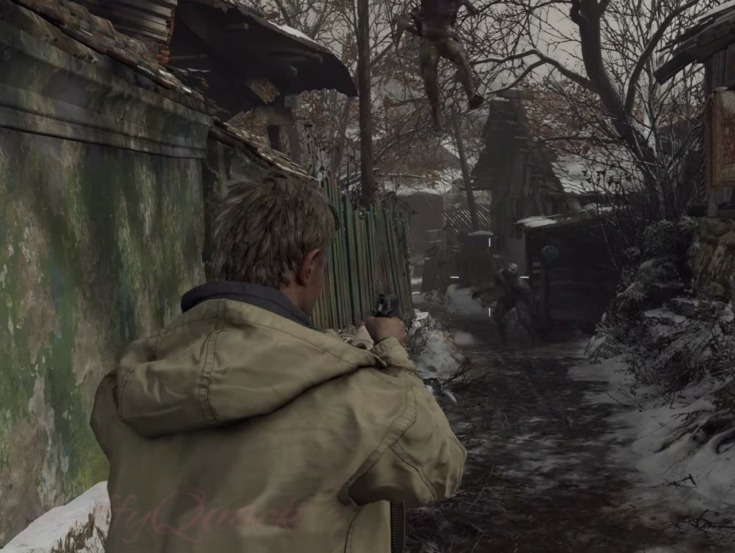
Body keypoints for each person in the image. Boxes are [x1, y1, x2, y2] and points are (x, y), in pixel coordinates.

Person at [89, 176, 466, 552]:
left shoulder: (122, 391)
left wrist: (350, 353)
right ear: (309, 266)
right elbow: (439, 468)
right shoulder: (358, 401)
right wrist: (392, 355)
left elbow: (246, 371)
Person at [392, 0, 484, 130]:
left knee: (461, 59)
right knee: (429, 72)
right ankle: (436, 110)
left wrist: (471, 7)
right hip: (430, 41)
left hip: (444, 38)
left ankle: (471, 96)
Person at [475, 262, 535, 340]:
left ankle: (533, 336)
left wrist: (529, 306)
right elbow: (492, 285)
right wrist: (479, 291)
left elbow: (528, 294)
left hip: (518, 298)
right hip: (508, 298)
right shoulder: (502, 277)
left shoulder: (519, 284)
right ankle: (502, 335)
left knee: (523, 317)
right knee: (497, 316)